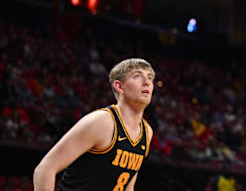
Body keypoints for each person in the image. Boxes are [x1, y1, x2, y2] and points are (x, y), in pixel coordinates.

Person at [33, 58, 155, 191]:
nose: (147, 82)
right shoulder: (102, 121)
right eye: (137, 76)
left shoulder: (146, 132)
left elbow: (128, 186)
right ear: (119, 86)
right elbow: (45, 169)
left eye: (150, 77)